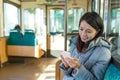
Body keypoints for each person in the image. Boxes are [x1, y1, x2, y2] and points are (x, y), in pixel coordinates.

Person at [59, 12, 112, 80]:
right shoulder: (75, 43)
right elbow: (67, 74)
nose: (83, 34)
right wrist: (66, 66)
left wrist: (78, 67)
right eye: (81, 29)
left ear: (98, 31)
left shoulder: (104, 52)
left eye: (88, 31)